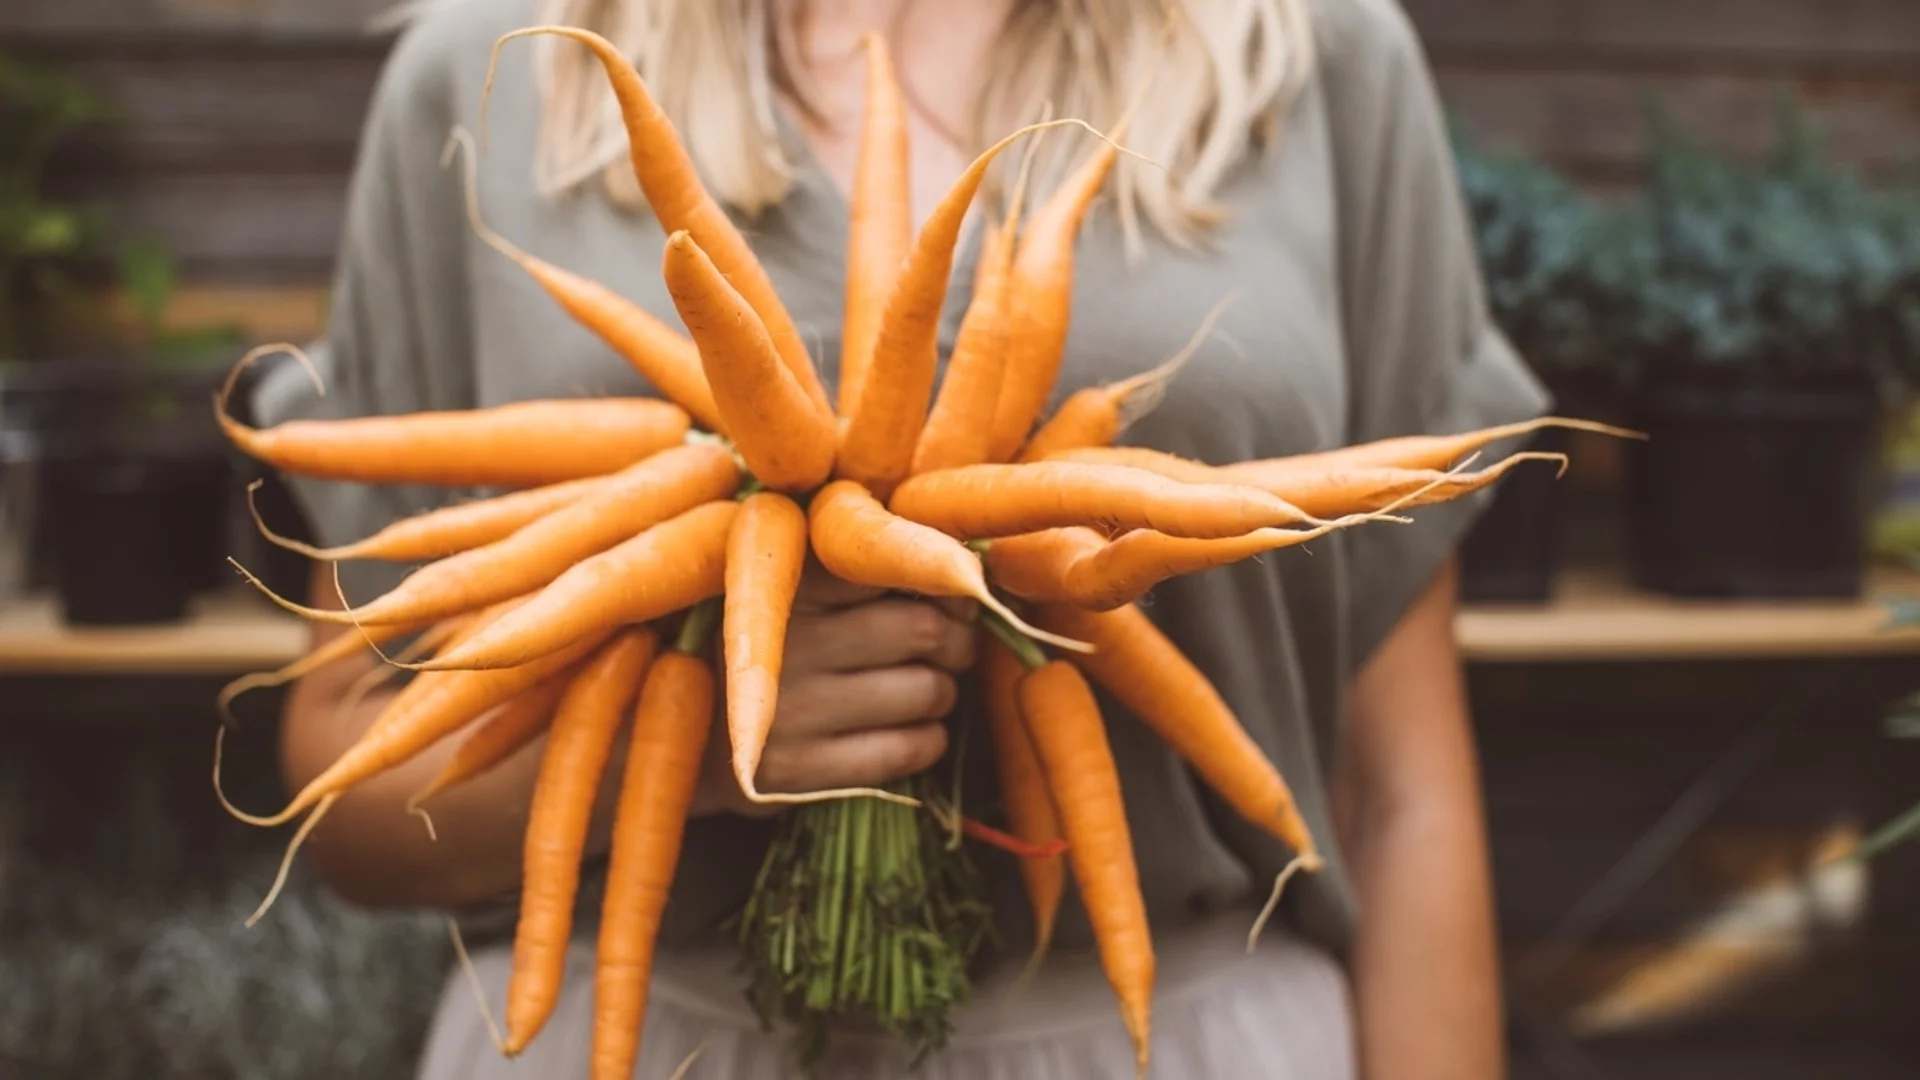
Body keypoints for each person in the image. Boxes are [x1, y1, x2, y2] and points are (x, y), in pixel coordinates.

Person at [251, 0, 1547, 1076]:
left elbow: (1402, 792)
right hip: (638, 1039)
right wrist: (703, 736)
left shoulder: (1306, 49)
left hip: (1183, 1041)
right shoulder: (495, 65)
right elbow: (345, 783)